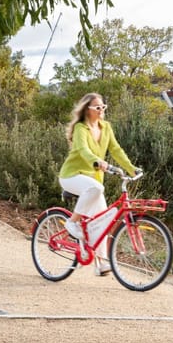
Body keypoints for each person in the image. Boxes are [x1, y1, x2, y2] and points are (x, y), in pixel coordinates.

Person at [59, 92, 138, 276]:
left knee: (104, 222)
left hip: (92, 182)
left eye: (103, 107)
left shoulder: (106, 127)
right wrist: (97, 161)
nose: (101, 110)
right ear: (88, 110)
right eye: (97, 107)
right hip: (72, 176)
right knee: (96, 188)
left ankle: (100, 263)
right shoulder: (80, 129)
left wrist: (131, 169)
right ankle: (72, 223)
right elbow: (83, 150)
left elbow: (116, 149)